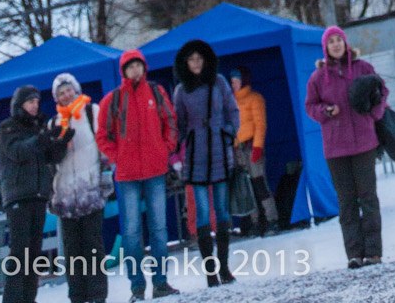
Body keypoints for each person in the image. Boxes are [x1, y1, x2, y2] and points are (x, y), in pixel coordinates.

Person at [98, 49, 179, 302]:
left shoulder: (156, 92)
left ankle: (161, 282)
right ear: (123, 71)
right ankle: (137, 287)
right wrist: (117, 157)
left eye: (138, 66)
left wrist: (165, 149)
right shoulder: (113, 99)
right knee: (132, 232)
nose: (135, 70)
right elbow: (102, 135)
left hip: (155, 170)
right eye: (130, 67)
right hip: (127, 175)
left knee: (159, 229)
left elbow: (171, 121)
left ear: (144, 68)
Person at [304, 28, 387, 270]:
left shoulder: (363, 68)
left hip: (364, 144)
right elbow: (310, 106)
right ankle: (354, 253)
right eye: (331, 41)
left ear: (345, 42)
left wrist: (373, 114)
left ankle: (373, 252)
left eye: (339, 39)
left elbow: (381, 93)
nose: (336, 44)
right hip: (336, 148)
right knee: (347, 202)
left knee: (368, 197)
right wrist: (326, 112)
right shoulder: (318, 77)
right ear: (325, 47)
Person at [173, 40, 239, 289]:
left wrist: (229, 132)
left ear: (206, 59)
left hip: (220, 153)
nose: (196, 63)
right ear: (185, 63)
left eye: (199, 58)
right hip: (195, 157)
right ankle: (210, 271)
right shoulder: (181, 91)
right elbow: (178, 125)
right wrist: (175, 154)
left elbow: (233, 111)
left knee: (222, 212)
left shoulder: (220, 82)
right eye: (191, 59)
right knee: (201, 213)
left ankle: (224, 266)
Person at [0, 85, 69, 303]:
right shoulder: (7, 128)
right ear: (19, 105)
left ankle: (28, 299)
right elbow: (18, 151)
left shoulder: (39, 128)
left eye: (37, 102)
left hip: (38, 195)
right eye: (30, 102)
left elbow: (50, 157)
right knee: (20, 253)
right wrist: (42, 138)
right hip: (18, 197)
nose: (35, 106)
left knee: (34, 254)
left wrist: (61, 142)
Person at [49, 75, 107, 303]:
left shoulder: (92, 111)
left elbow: (103, 147)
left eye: (68, 90)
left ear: (76, 89)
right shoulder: (54, 123)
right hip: (65, 195)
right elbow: (52, 161)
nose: (66, 95)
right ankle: (77, 297)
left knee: (93, 246)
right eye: (61, 92)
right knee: (72, 252)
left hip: (89, 190)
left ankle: (98, 295)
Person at [227, 69, 274, 235]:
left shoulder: (255, 98)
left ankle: (271, 219)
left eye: (235, 80)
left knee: (259, 183)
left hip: (251, 145)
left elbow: (260, 124)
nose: (233, 84)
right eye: (231, 81)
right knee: (247, 187)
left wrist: (258, 146)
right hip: (238, 149)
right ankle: (255, 222)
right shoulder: (231, 101)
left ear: (243, 81)